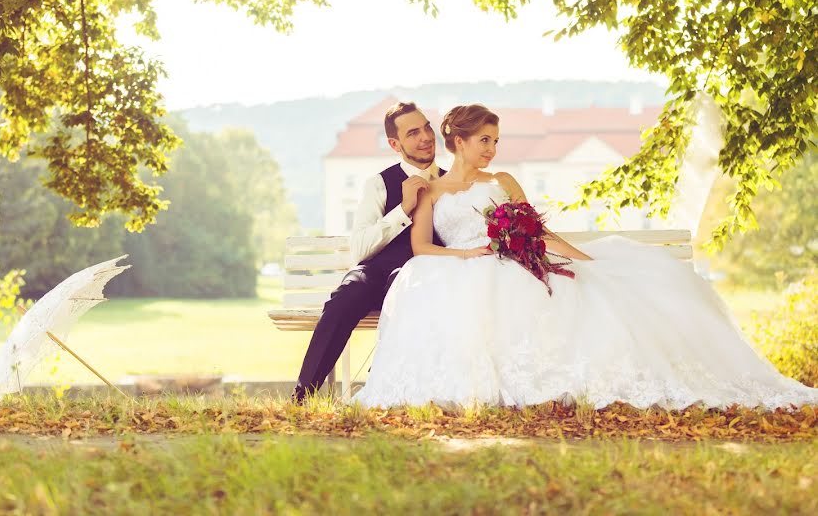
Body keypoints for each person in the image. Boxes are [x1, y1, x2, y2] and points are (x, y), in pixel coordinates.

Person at [351, 104, 818, 410]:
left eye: (496, 140)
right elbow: (422, 248)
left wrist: (585, 261)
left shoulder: (505, 181)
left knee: (567, 290)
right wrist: (470, 253)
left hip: (511, 262)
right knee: (458, 290)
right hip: (464, 266)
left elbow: (539, 234)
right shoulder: (430, 189)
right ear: (460, 141)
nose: (493, 149)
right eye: (485, 140)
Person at [291, 101, 446, 403]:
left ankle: (381, 390)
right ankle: (302, 393)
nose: (426, 137)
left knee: (407, 292)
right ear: (394, 143)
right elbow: (360, 249)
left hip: (421, 281)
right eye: (413, 133)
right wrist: (403, 209)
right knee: (343, 298)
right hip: (374, 276)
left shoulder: (452, 183)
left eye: (427, 127)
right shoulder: (379, 184)